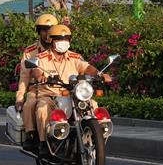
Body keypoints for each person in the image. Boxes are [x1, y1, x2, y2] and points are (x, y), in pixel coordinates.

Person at [29, 24, 111, 155]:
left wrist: (100, 74)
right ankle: (43, 143)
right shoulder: (42, 57)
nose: (63, 42)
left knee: (93, 105)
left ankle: (95, 139)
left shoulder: (74, 57)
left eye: (66, 39)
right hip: (51, 95)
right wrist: (40, 77)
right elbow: (36, 70)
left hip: (73, 95)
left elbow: (87, 67)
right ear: (51, 40)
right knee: (42, 109)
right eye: (59, 39)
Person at [17, 14, 58, 151]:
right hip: (38, 88)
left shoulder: (62, 49)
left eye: (50, 30)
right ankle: (31, 135)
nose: (47, 34)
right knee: (30, 104)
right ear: (39, 32)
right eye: (44, 30)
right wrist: (20, 97)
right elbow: (24, 77)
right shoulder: (30, 52)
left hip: (61, 88)